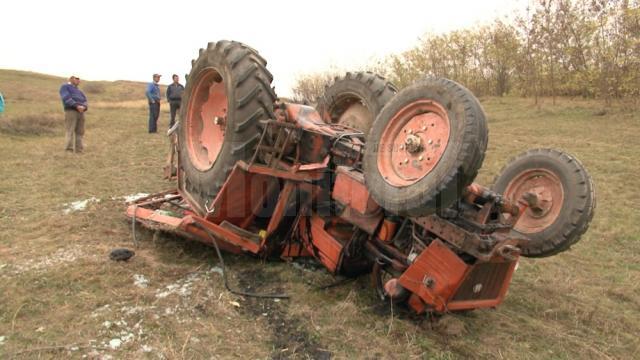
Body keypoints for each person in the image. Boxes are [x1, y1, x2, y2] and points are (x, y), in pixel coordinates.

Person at [59, 76, 88, 152]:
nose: (79, 80)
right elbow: (66, 97)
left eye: (79, 79)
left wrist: (84, 107)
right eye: (77, 78)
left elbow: (85, 100)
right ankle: (69, 149)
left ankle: (79, 150)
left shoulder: (80, 91)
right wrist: (76, 105)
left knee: (80, 131)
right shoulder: (65, 87)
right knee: (70, 130)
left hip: (81, 112)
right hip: (71, 111)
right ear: (71, 79)